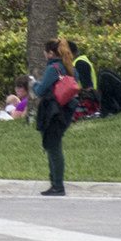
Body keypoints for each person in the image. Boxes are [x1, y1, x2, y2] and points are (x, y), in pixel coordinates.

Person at [33, 39, 77, 196]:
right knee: (54, 145)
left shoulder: (53, 68)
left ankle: (57, 185)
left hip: (53, 112)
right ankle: (55, 184)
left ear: (50, 53)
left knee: (53, 148)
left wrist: (33, 83)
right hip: (66, 111)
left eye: (45, 52)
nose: (44, 55)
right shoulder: (69, 66)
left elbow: (41, 90)